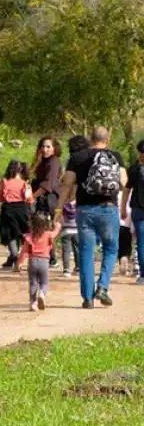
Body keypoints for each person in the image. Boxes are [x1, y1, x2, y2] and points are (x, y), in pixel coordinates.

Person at [58, 126, 127, 309]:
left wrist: (58, 210)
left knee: (86, 252)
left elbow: (66, 184)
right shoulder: (115, 156)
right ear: (107, 139)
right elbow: (123, 182)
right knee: (110, 249)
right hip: (108, 209)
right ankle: (102, 287)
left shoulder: (77, 157)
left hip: (84, 210)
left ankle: (87, 298)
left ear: (90, 138)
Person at [0, 161, 33, 270]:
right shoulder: (25, 184)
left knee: (9, 233)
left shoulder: (5, 183)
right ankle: (21, 257)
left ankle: (14, 254)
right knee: (23, 232)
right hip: (23, 210)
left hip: (8, 210)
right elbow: (30, 200)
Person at [17, 213, 60, 312]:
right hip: (44, 262)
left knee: (33, 283)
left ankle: (33, 303)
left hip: (32, 262)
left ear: (32, 224)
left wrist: (20, 263)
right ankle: (41, 294)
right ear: (45, 225)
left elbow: (24, 250)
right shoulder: (48, 234)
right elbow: (55, 232)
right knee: (44, 283)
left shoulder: (29, 236)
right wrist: (58, 225)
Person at [30, 137, 63, 266]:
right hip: (43, 199)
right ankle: (49, 257)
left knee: (47, 228)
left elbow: (48, 184)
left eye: (48, 147)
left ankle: (51, 258)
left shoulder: (54, 162)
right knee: (43, 228)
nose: (45, 149)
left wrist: (32, 196)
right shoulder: (42, 161)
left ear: (54, 148)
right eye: (43, 146)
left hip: (50, 200)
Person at [121, 139, 144, 285]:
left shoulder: (135, 169)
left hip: (138, 209)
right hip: (137, 210)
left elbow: (126, 190)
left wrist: (123, 208)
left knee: (141, 242)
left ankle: (143, 276)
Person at [60, 200, 79, 278]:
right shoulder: (78, 204)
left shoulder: (62, 204)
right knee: (77, 250)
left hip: (66, 230)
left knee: (66, 251)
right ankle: (78, 268)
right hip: (77, 230)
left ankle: (66, 270)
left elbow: (59, 216)